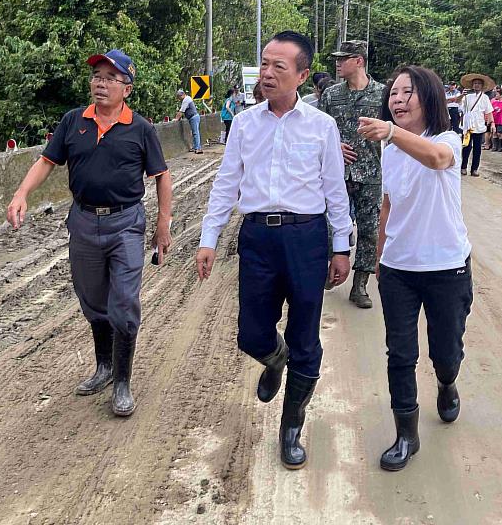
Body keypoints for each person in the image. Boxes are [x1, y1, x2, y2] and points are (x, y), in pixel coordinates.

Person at [196, 31, 352, 470]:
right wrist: (209, 239)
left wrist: (341, 247)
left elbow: (335, 192)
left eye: (277, 67)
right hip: (258, 238)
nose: (265, 74)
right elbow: (226, 184)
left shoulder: (321, 126)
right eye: (264, 64)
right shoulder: (245, 123)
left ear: (301, 75)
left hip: (306, 239)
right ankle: (273, 358)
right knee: (251, 333)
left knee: (306, 335)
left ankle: (291, 426)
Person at [6, 49, 172, 417]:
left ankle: (123, 382)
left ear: (127, 88)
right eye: (97, 75)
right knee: (93, 300)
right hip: (83, 221)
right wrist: (21, 194)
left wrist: (164, 223)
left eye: (110, 78)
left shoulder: (140, 128)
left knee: (124, 303)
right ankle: (105, 366)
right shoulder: (72, 121)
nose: (100, 82)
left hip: (126, 223)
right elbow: (47, 161)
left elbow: (162, 176)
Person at [357, 65, 473, 472]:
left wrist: (390, 131)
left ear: (430, 98)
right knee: (400, 353)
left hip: (446, 267)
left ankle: (446, 380)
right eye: (393, 93)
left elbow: (438, 160)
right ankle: (406, 433)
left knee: (445, 350)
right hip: (399, 270)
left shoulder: (447, 140)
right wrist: (379, 251)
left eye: (408, 92)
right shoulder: (390, 151)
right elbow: (388, 203)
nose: (398, 99)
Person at [319, 40, 386, 309]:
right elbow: (317, 133)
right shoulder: (331, 96)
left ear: (359, 61)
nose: (337, 63)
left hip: (371, 174)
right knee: (329, 225)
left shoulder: (383, 94)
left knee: (369, 231)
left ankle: (360, 285)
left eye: (343, 58)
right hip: (336, 175)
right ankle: (330, 268)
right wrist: (334, 146)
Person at [457, 73, 495, 177]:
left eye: (479, 83)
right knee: (466, 147)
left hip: (479, 126)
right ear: (472, 85)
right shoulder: (467, 96)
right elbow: (458, 103)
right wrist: (462, 95)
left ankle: (474, 169)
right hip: (468, 126)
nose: (477, 85)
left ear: (482, 86)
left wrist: (492, 124)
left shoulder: (485, 98)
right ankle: (463, 167)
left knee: (477, 149)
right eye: (475, 83)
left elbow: (489, 112)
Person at [175, 89, 203, 154]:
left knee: (195, 133)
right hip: (193, 117)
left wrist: (176, 119)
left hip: (194, 117)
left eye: (179, 97)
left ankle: (197, 148)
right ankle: (195, 147)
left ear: (183, 95)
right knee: (194, 133)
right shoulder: (187, 99)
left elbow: (181, 111)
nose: (179, 99)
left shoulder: (186, 100)